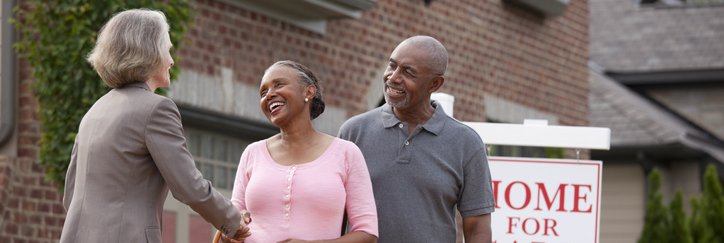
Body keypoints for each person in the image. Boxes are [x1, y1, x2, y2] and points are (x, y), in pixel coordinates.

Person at [60, 9, 249, 243]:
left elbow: (70, 195)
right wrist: (232, 221)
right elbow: (189, 186)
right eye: (167, 50)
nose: (171, 60)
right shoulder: (156, 109)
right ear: (150, 52)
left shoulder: (94, 112)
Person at [338, 35, 495, 243]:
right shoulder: (354, 132)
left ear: (434, 84)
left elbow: (477, 228)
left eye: (408, 72)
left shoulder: (466, 143)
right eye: (392, 66)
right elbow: (337, 215)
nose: (393, 77)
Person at [227, 60, 378, 243]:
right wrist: (233, 230)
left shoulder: (346, 153)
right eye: (263, 92)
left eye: (279, 84)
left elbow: (367, 234)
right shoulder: (252, 153)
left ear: (309, 91)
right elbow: (230, 225)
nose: (269, 95)